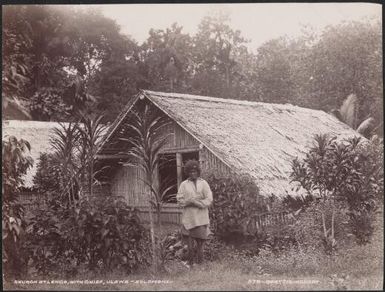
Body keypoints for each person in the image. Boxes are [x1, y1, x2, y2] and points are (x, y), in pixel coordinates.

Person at [176, 159, 213, 266]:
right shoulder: (184, 184)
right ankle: (190, 263)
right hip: (189, 218)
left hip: (201, 218)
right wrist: (189, 202)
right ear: (187, 172)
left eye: (195, 171)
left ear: (198, 172)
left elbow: (209, 199)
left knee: (201, 243)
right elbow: (179, 199)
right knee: (189, 244)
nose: (193, 173)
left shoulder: (204, 183)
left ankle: (201, 263)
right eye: (190, 172)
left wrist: (198, 203)